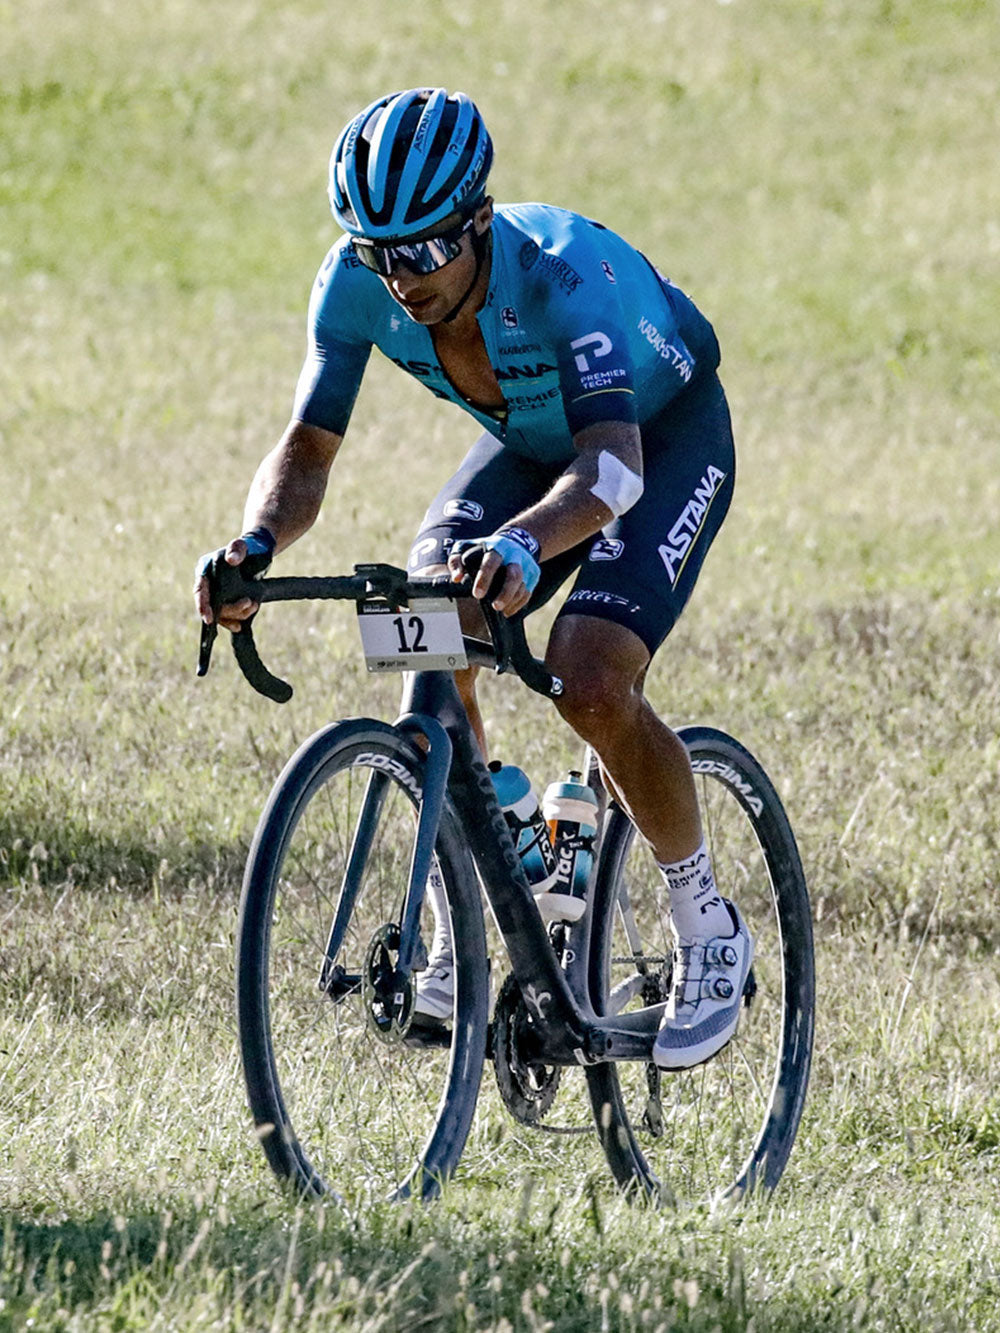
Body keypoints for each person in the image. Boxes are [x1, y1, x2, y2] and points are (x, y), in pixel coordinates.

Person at [194, 87, 752, 1070]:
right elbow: (310, 446)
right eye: (378, 252)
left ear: (477, 224)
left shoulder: (559, 279)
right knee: (424, 608)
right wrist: (253, 545)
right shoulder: (356, 280)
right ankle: (498, 859)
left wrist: (533, 540)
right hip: (542, 449)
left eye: (420, 252)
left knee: (589, 675)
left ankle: (706, 920)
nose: (399, 277)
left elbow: (613, 468)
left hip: (653, 438)